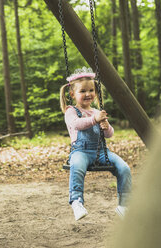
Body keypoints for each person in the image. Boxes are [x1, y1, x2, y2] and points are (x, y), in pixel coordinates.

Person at [59, 67, 132, 221]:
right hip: (81, 151)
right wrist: (95, 119)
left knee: (124, 168)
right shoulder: (71, 111)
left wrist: (106, 127)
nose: (88, 94)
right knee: (77, 167)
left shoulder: (96, 111)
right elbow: (77, 124)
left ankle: (124, 206)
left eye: (91, 90)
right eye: (83, 91)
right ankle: (77, 202)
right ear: (72, 94)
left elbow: (109, 134)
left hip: (102, 151)